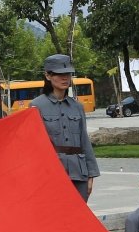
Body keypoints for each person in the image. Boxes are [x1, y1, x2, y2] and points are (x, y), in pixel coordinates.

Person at [31, 54, 100, 199]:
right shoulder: (36, 106)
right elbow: (34, 145)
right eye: (60, 74)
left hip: (79, 172)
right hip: (52, 172)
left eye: (68, 74)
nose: (65, 78)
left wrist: (91, 174)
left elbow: (84, 141)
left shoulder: (77, 107)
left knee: (79, 217)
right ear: (48, 76)